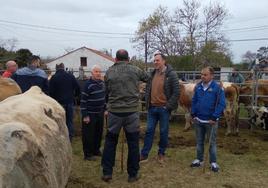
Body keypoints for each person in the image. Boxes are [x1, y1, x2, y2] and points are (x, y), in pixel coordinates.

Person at [101, 49, 148, 183]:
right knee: (133, 143)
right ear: (128, 59)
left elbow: (106, 91)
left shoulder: (109, 72)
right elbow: (148, 78)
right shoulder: (136, 70)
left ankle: (107, 172)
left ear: (115, 59)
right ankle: (133, 174)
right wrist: (138, 88)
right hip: (132, 112)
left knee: (110, 142)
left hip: (114, 112)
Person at [140, 52, 179, 164]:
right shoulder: (152, 74)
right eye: (154, 60)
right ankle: (144, 154)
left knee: (163, 132)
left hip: (164, 109)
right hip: (152, 108)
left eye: (157, 60)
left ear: (164, 61)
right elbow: (148, 89)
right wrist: (147, 102)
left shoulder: (171, 75)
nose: (155, 62)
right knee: (149, 131)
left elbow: (176, 93)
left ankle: (161, 153)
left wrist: (167, 106)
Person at [190, 66, 226, 172]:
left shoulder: (217, 88)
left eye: (205, 75)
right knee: (199, 141)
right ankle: (199, 160)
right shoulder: (198, 87)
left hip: (211, 121)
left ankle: (213, 162)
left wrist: (214, 117)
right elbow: (194, 101)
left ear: (211, 76)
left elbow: (221, 103)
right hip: (198, 120)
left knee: (212, 143)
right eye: (201, 74)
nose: (202, 76)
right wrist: (193, 114)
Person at [49, 63, 81, 141]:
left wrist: (53, 100)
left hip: (58, 103)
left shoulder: (53, 78)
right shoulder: (70, 76)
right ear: (64, 67)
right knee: (69, 121)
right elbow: (78, 87)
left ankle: (61, 138)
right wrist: (75, 96)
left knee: (60, 122)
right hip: (70, 102)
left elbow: (50, 91)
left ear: (56, 68)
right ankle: (70, 138)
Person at [80, 65, 106, 161]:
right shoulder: (87, 85)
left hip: (100, 113)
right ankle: (88, 154)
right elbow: (83, 101)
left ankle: (96, 150)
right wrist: (85, 115)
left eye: (99, 71)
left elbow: (104, 98)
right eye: (96, 71)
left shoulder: (102, 84)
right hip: (90, 114)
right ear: (92, 73)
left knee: (98, 133)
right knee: (88, 134)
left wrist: (105, 109)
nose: (98, 73)